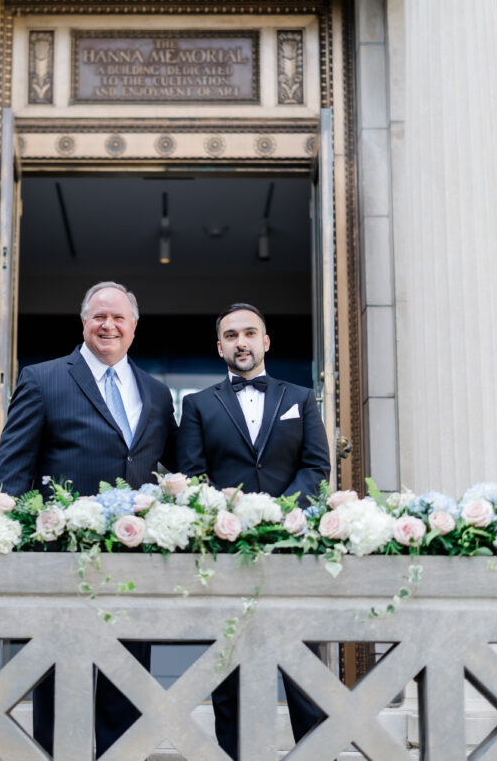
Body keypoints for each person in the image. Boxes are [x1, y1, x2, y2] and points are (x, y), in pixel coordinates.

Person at [0, 280, 177, 758]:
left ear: (134, 327)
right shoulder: (43, 378)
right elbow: (12, 473)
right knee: (62, 681)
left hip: (135, 560)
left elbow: (173, 473)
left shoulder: (157, 394)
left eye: (118, 318)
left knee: (127, 680)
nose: (108, 325)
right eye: (99, 316)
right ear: (83, 322)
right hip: (62, 559)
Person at [176, 302, 331, 760]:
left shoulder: (300, 398)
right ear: (219, 346)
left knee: (303, 664)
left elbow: (316, 467)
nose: (240, 342)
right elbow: (192, 475)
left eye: (249, 333)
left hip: (292, 548)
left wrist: (280, 513)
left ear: (265, 342)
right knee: (229, 669)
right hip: (227, 552)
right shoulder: (197, 405)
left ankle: (317, 753)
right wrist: (235, 518)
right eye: (230, 335)